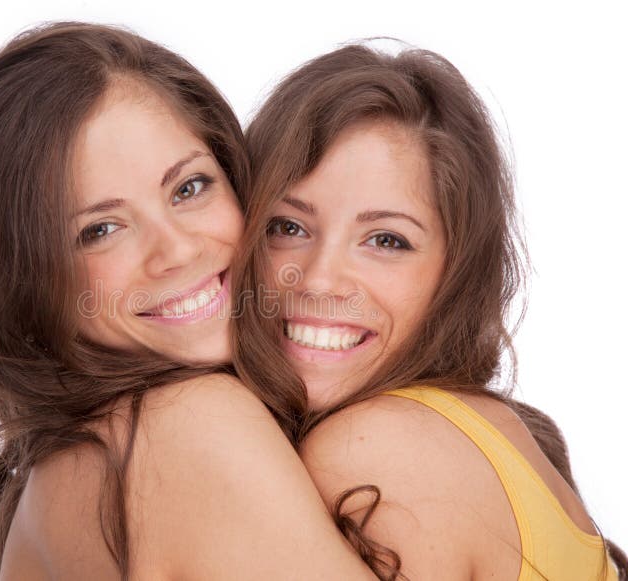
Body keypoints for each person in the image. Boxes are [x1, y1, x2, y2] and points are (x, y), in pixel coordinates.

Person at [0, 22, 381, 581]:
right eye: (100, 229)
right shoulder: (185, 427)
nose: (177, 251)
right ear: (24, 281)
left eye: (189, 187)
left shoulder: (79, 460)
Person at [234, 42, 626, 580]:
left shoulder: (373, 449)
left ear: (456, 275)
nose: (320, 277)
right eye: (288, 227)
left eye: (386, 240)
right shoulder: (474, 425)